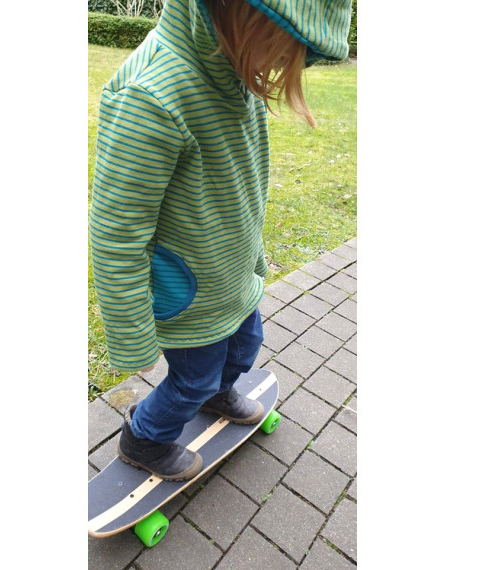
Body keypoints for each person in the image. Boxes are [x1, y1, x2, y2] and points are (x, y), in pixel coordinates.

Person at [89, 0, 352, 480]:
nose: (274, 69)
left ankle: (215, 394)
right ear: (238, 13)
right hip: (191, 295)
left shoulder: (231, 68)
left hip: (230, 278)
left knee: (246, 346)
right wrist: (131, 333)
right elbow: (117, 231)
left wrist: (253, 258)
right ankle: (145, 438)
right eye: (276, 52)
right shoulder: (153, 95)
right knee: (193, 379)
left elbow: (239, 186)